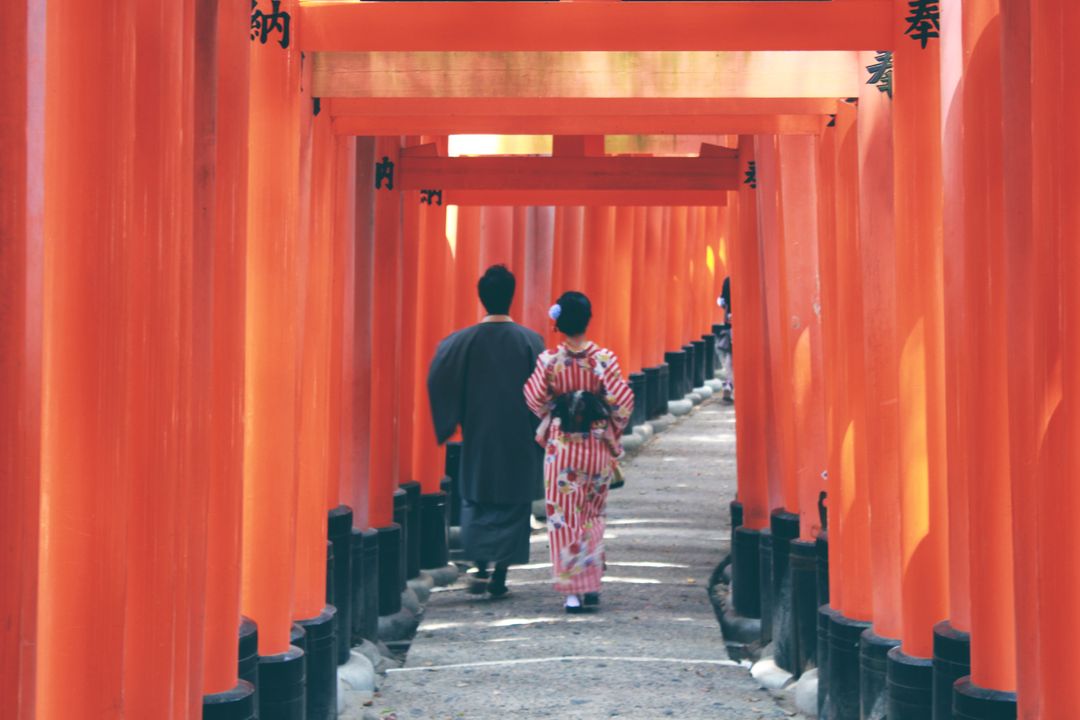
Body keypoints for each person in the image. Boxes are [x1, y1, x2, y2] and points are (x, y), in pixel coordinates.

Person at [427, 265, 545, 597]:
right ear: (512, 295)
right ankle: (501, 574)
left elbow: (439, 375)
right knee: (513, 504)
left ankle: (479, 566)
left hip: (479, 435)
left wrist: (453, 416)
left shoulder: (461, 342)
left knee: (477, 501)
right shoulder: (530, 341)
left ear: (481, 297)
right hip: (520, 438)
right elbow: (547, 389)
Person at [524, 291, 634, 613]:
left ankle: (572, 592)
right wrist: (611, 432)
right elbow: (622, 403)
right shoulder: (604, 360)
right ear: (588, 320)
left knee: (564, 519)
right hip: (596, 445)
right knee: (593, 514)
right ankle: (592, 583)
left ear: (559, 321)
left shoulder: (549, 362)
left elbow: (533, 399)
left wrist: (554, 411)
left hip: (562, 449)